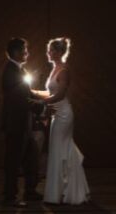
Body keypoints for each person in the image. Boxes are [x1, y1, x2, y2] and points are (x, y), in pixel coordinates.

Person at [30, 37, 90, 205]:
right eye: (48, 50)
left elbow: (60, 95)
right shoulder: (55, 68)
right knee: (59, 150)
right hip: (57, 114)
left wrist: (41, 102)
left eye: (50, 50)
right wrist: (33, 91)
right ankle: (65, 190)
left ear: (58, 52)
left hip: (64, 115)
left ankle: (66, 192)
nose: (48, 53)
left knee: (59, 150)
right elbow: (50, 93)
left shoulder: (64, 70)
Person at [1, 37, 43, 206]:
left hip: (23, 123)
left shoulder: (19, 70)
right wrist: (42, 108)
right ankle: (9, 196)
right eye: (25, 50)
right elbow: (21, 99)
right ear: (16, 52)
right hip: (15, 123)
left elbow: (27, 93)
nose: (27, 53)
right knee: (13, 160)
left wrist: (42, 96)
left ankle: (30, 191)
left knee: (30, 158)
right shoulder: (11, 71)